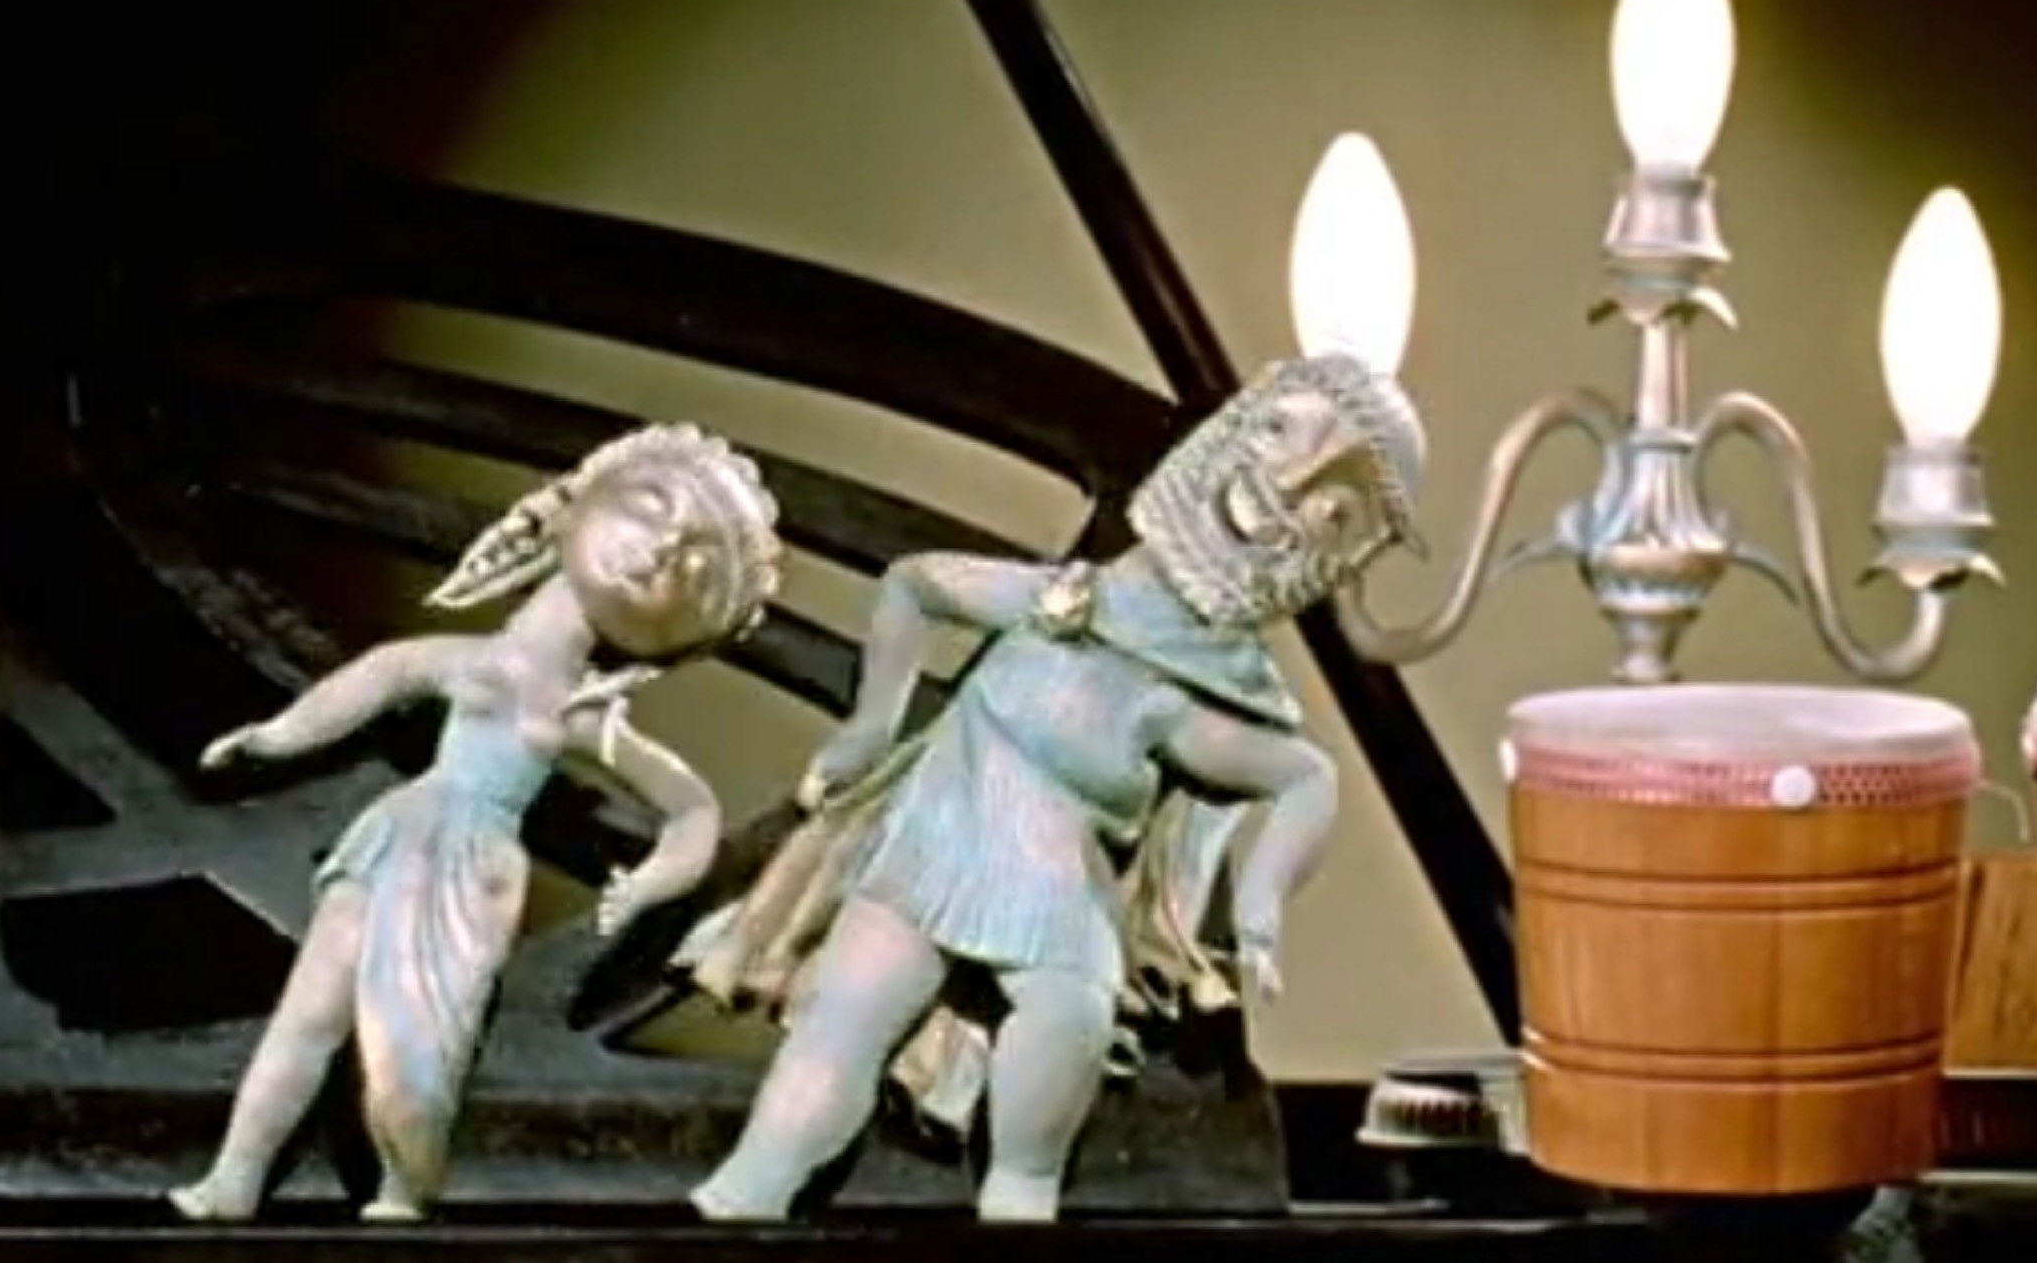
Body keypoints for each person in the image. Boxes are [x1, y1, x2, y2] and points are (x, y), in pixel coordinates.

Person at [680, 347, 1429, 1222]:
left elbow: (1306, 777)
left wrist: (1260, 904)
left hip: (1057, 898)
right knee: (838, 1027)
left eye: (1333, 511)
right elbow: (914, 586)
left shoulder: (1181, 703)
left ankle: (1023, 1197)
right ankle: (740, 1200)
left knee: (1067, 1023)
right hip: (931, 845)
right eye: (1276, 432)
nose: (1287, 484)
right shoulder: (1057, 602)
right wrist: (869, 728)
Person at [166, 422, 783, 1222]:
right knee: (308, 1013)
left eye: (692, 569)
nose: (661, 550)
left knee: (420, 1046)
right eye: (651, 505)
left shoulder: (583, 713)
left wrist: (647, 885)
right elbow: (375, 678)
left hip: (472, 870)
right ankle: (234, 1179)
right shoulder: (465, 657)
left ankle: (405, 1189)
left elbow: (693, 810)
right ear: (575, 504)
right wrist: (274, 736)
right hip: (400, 830)